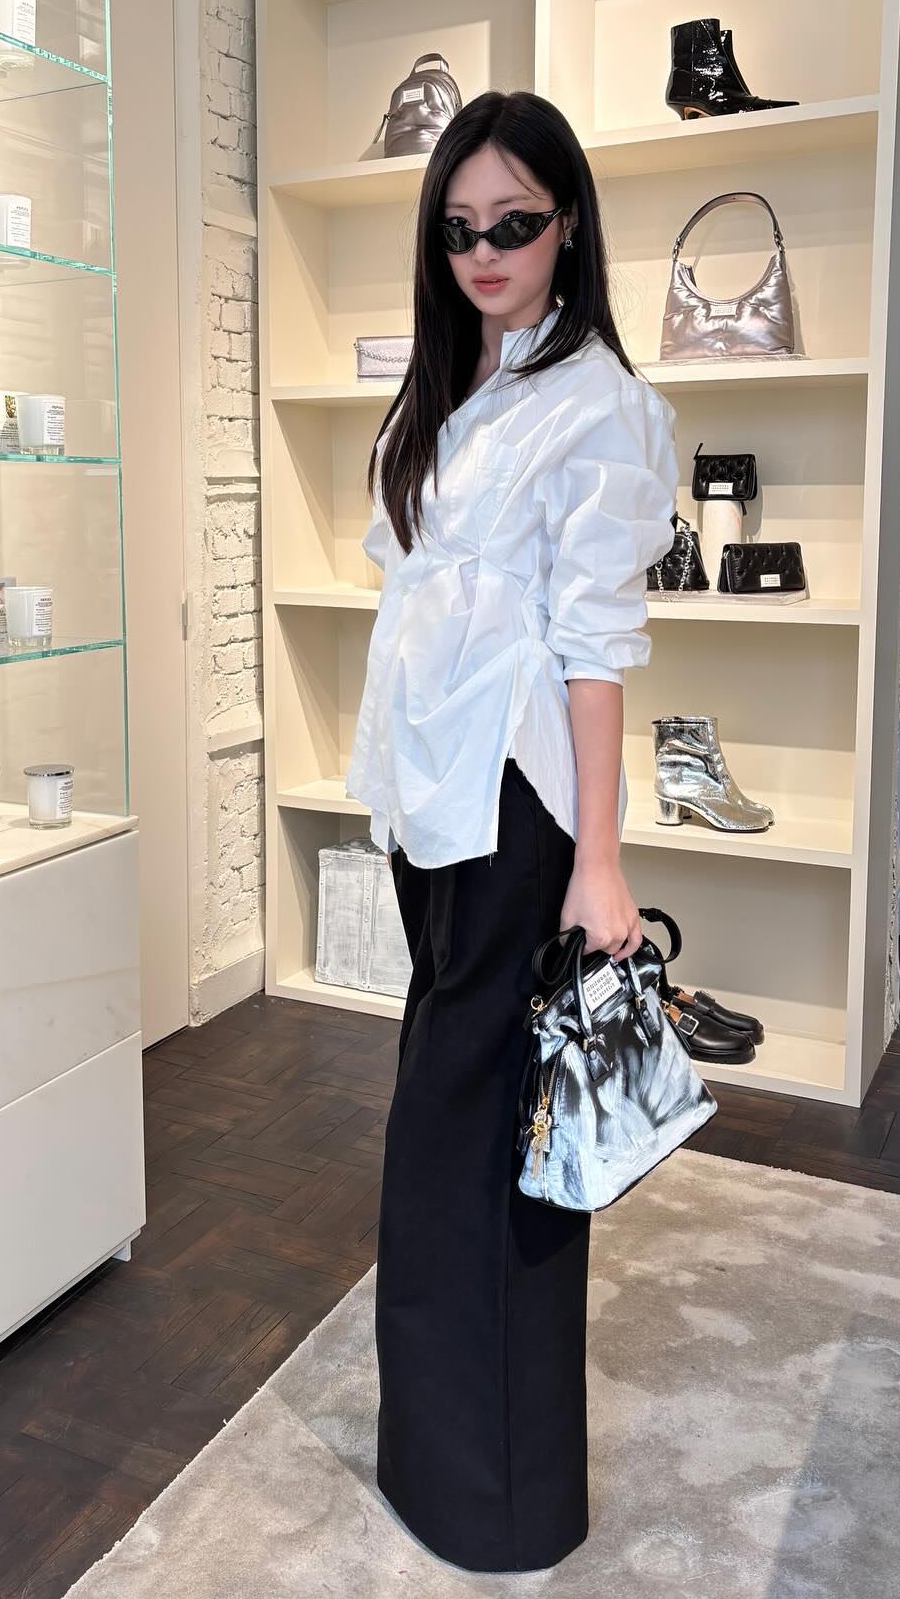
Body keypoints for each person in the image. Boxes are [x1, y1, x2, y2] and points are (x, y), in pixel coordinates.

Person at [344, 90, 679, 1573]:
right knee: (458, 1133)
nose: (486, 251)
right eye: (460, 227)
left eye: (516, 223)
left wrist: (600, 859)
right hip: (434, 801)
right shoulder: (457, 383)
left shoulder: (595, 405)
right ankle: (453, 1466)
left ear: (570, 225)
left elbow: (595, 651)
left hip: (514, 808)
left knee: (471, 1149)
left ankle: (495, 1496)